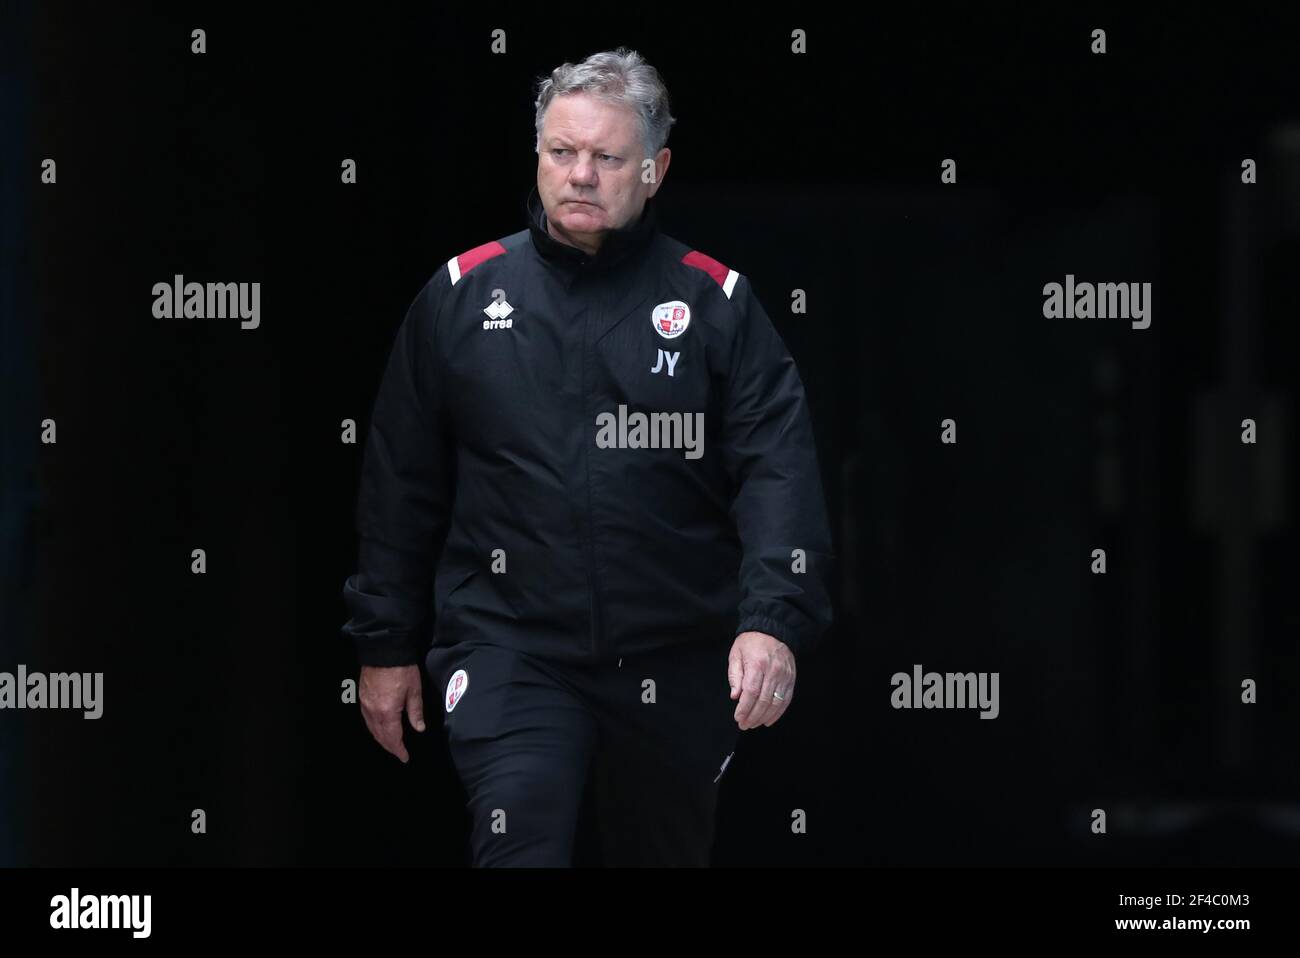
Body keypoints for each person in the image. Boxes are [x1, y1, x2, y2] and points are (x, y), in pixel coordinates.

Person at [341, 47, 833, 866]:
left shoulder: (713, 303)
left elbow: (776, 469)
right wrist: (384, 643)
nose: (580, 174)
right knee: (520, 832)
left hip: (675, 652)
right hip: (511, 646)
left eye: (606, 157)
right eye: (560, 152)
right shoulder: (464, 297)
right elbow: (401, 482)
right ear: (536, 155)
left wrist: (771, 621)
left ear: (655, 168)